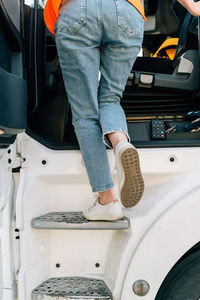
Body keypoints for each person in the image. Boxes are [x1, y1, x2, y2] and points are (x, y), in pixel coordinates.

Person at [43, 0, 199, 222]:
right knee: (110, 98)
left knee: (85, 114)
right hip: (126, 12)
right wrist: (191, 6)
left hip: (76, 11)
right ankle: (121, 144)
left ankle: (107, 200)